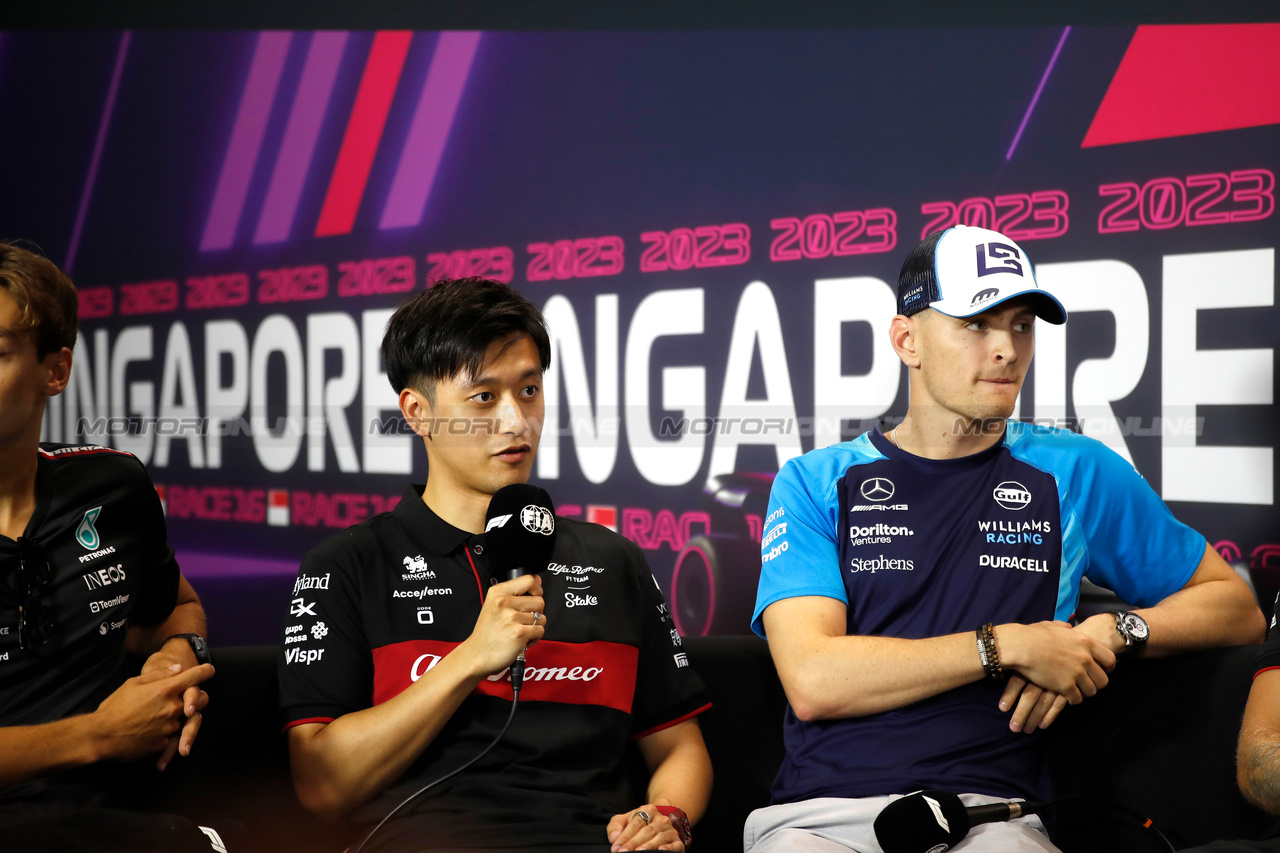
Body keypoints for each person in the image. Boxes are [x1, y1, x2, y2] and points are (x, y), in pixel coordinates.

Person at [746, 225, 1265, 852]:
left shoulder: (1073, 470)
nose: (1006, 349)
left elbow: (1235, 608)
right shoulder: (817, 481)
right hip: (820, 816)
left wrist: (1111, 632)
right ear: (906, 339)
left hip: (994, 818)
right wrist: (1004, 647)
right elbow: (813, 680)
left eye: (1021, 325)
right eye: (976, 324)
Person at [278, 277, 712, 853]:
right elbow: (322, 787)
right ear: (417, 412)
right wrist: (470, 660)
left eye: (529, 390)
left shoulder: (612, 558)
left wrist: (667, 817)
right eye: (484, 397)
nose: (516, 421)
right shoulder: (348, 565)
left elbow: (679, 747)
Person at [0, 243, 217, 850]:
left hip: (123, 816)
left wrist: (172, 660)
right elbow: (102, 734)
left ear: (55, 370)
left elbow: (175, 608)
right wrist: (98, 734)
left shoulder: (113, 485)